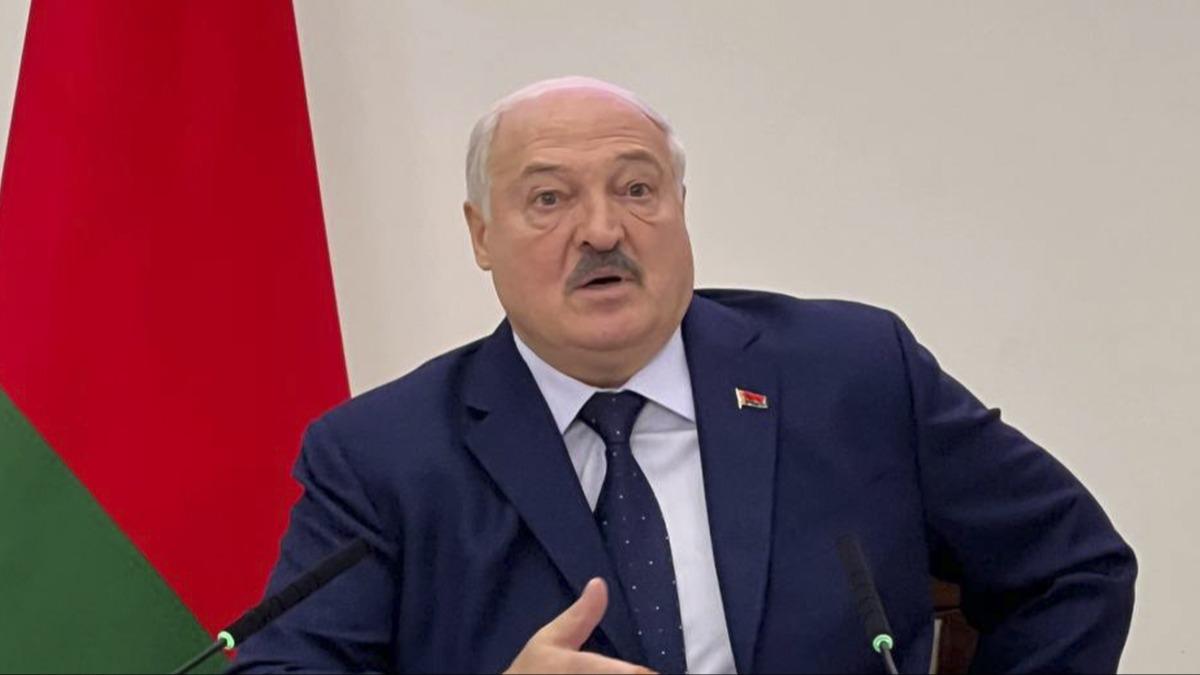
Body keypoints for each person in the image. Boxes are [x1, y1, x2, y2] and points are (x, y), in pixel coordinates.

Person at [232, 76, 1136, 673]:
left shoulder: (853, 373)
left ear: (681, 208)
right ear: (481, 235)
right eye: (549, 198)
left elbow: (1074, 568)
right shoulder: (382, 456)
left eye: (637, 189)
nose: (602, 231)